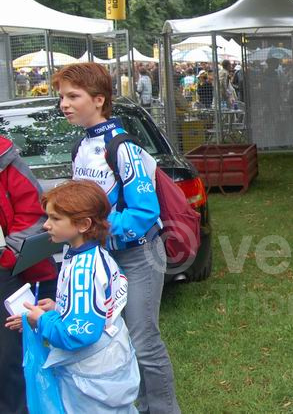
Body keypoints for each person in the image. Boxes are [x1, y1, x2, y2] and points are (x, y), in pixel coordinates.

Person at [52, 63, 181, 414]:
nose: (64, 103)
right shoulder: (82, 146)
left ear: (99, 100)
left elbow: (144, 212)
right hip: (103, 258)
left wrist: (95, 229)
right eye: (62, 96)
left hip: (139, 256)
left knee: (142, 339)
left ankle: (165, 409)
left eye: (73, 96)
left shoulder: (122, 147)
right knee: (117, 339)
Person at [5, 180, 140, 413]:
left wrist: (42, 320)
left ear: (83, 224)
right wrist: (59, 309)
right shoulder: (90, 253)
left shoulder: (82, 270)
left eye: (55, 219)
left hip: (91, 379)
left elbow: (79, 334)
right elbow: (96, 306)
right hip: (110, 365)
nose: (46, 225)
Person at [0, 135, 57, 414]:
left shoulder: (6, 159)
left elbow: (33, 213)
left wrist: (8, 256)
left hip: (4, 271)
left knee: (7, 357)